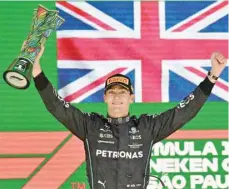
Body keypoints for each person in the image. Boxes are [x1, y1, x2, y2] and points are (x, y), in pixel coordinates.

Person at [31, 43, 227, 189]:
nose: (117, 97)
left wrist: (212, 77)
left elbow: (185, 111)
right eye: (112, 93)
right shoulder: (90, 126)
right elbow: (56, 106)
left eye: (122, 92)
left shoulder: (147, 127)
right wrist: (37, 70)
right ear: (105, 97)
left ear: (131, 97)